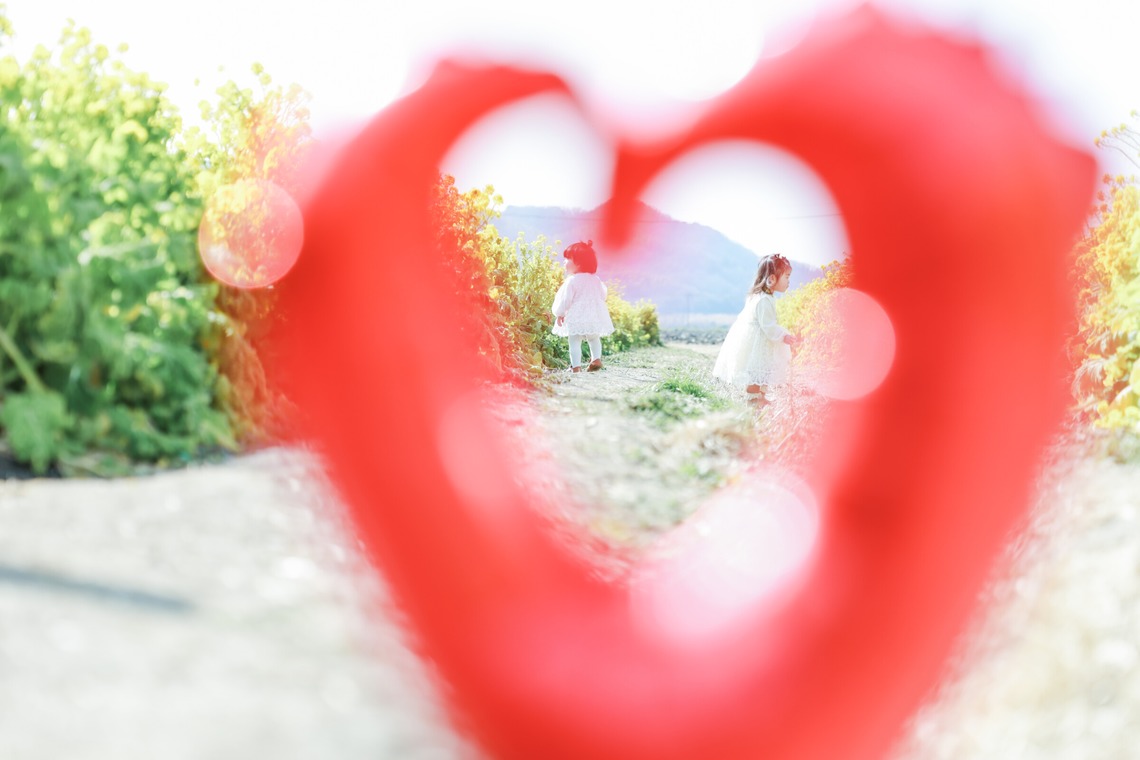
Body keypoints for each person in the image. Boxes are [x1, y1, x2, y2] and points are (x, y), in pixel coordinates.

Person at [713, 253, 800, 405]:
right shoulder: (763, 300)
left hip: (762, 343)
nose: (789, 281)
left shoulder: (763, 296)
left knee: (763, 371)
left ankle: (760, 397)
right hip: (758, 344)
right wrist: (783, 336)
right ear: (772, 278)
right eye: (786, 277)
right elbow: (768, 326)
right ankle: (752, 399)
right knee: (756, 373)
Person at [551, 240, 615, 372]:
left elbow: (565, 299)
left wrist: (560, 313)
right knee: (593, 337)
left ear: (578, 263)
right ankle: (596, 359)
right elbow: (602, 295)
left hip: (577, 315)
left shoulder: (572, 281)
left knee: (574, 340)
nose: (564, 262)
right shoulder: (595, 279)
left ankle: (576, 367)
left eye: (568, 259)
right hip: (593, 314)